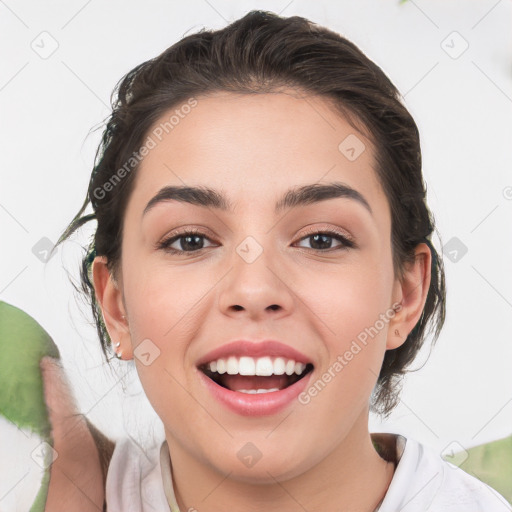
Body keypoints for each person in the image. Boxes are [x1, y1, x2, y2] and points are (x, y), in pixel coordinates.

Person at [55, 9, 511, 512]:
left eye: (320, 240)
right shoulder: (40, 476)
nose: (254, 290)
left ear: (404, 296)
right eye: (189, 241)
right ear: (115, 305)